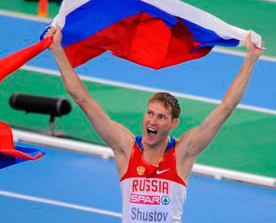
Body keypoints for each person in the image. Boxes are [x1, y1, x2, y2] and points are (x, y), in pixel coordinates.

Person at [44, 27, 263, 222]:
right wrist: (57, 51)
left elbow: (226, 107)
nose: (152, 120)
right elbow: (84, 100)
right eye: (150, 113)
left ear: (173, 123)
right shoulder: (126, 148)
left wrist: (251, 59)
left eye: (161, 117)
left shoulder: (182, 153)